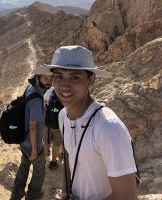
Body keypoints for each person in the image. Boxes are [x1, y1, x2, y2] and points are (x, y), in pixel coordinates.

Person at [40, 45, 138, 200]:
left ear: (91, 80)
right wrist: (67, 192)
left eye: (74, 77)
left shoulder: (108, 128)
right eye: (58, 76)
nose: (64, 85)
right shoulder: (64, 116)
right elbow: (68, 156)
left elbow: (127, 197)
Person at [10, 66, 52, 200]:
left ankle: (17, 192)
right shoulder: (36, 98)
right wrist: (35, 148)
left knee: (24, 164)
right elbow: (33, 126)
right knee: (40, 170)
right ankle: (33, 196)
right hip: (32, 142)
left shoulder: (30, 88)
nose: (49, 82)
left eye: (51, 78)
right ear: (38, 77)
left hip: (23, 139)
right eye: (45, 78)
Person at [44, 87, 64, 170]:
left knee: (46, 141)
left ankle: (46, 155)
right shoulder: (68, 93)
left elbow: (44, 102)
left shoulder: (50, 91)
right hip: (58, 126)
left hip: (47, 124)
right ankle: (53, 162)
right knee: (56, 144)